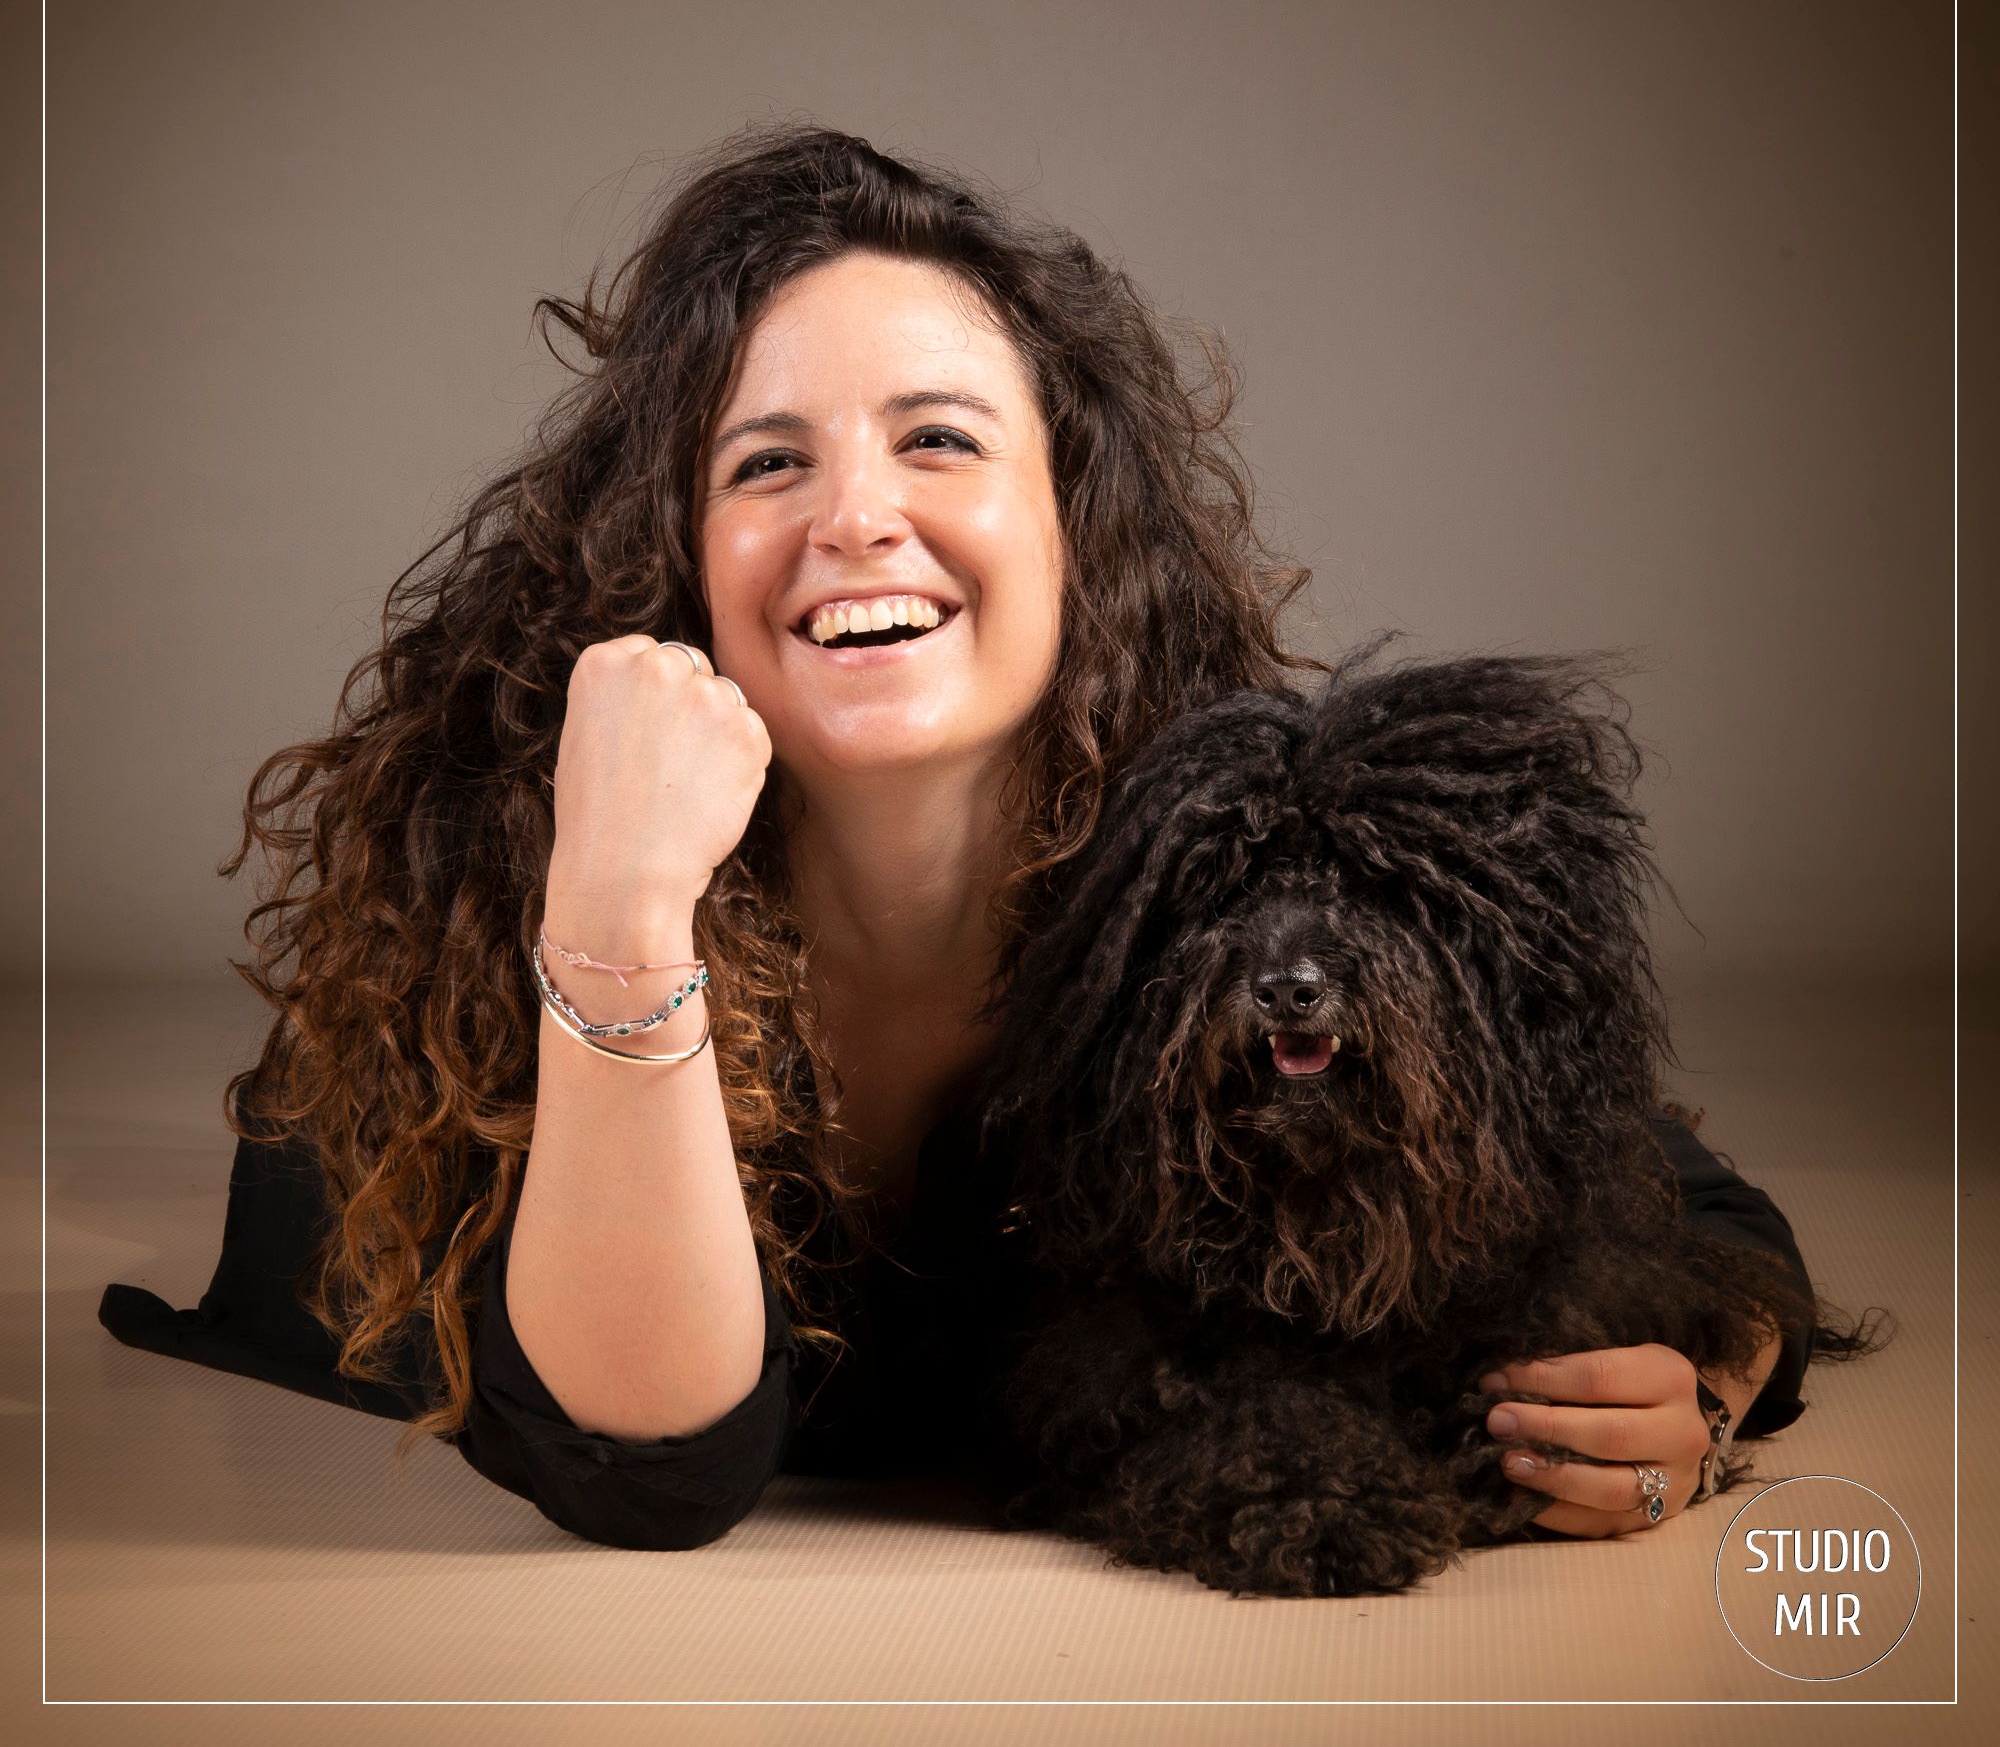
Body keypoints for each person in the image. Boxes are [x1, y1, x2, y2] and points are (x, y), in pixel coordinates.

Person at [98, 123, 1822, 1554]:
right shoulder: (510, 917)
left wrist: (1704, 1389)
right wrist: (618, 902)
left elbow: (1671, 1190)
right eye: (765, 464)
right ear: (678, 555)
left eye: (938, 439)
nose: (856, 518)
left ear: (1075, 524)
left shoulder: (1211, 863)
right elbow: (649, 1466)